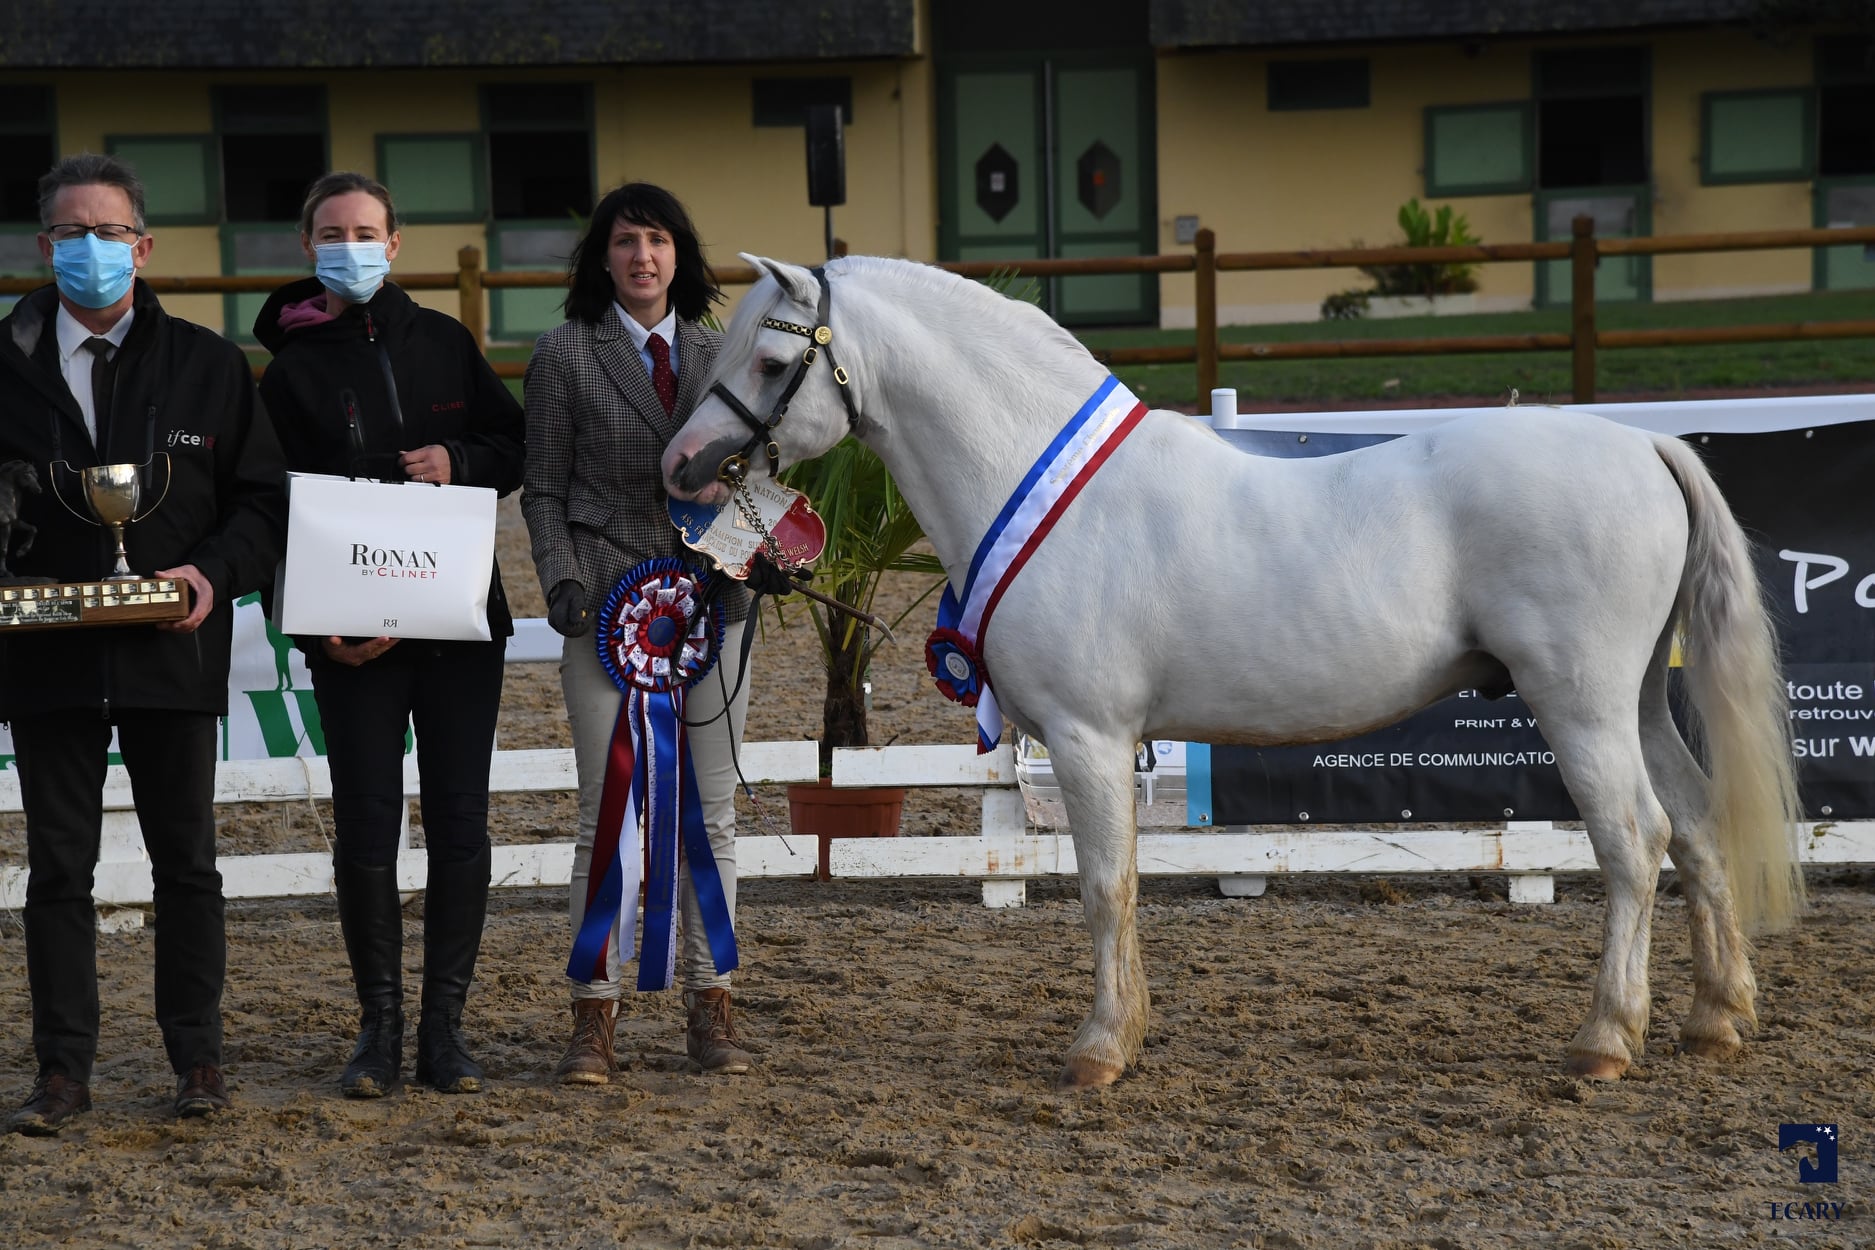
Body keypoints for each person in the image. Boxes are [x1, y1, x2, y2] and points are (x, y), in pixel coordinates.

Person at [0, 154, 288, 1133]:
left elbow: (259, 501)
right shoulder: (3, 366)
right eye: (73, 232)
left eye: (110, 232)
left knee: (188, 863)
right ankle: (63, 1072)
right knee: (58, 869)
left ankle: (197, 1058)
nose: (93, 249)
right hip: (45, 657)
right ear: (44, 246)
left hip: (175, 649)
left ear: (143, 245)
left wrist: (213, 572)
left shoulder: (208, 366)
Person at [253, 172, 524, 1097]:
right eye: (333, 232)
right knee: (366, 828)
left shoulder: (445, 342)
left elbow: (511, 445)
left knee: (459, 822)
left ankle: (444, 1029)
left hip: (457, 625)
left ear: (394, 243)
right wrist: (315, 629)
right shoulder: (287, 373)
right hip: (352, 638)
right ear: (308, 247)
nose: (351, 245)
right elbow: (267, 506)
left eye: (366, 230)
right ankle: (379, 1026)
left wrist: (460, 459)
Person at [522, 183, 758, 1083]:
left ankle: (713, 1005)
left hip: (712, 610)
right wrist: (563, 578)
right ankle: (594, 1016)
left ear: (679, 255)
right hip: (605, 609)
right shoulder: (564, 356)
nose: (643, 257)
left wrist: (753, 556)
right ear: (603, 257)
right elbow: (541, 488)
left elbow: (747, 479)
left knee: (714, 816)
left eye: (658, 241)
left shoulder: (721, 352)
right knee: (604, 816)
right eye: (626, 242)